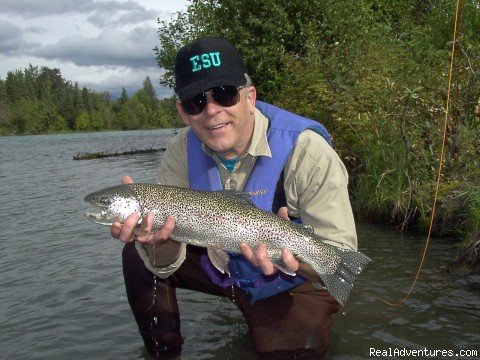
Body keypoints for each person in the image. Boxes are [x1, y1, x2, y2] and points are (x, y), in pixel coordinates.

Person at [111, 37, 357, 359]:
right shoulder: (179, 151)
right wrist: (155, 242)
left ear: (249, 97)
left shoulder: (307, 150)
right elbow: (167, 257)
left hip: (293, 279)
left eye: (225, 94)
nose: (212, 111)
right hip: (222, 264)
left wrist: (294, 260)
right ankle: (163, 353)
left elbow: (338, 256)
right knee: (137, 251)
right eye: (196, 102)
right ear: (183, 112)